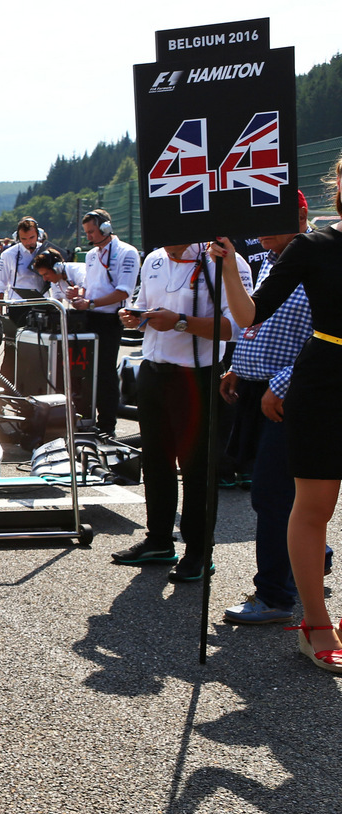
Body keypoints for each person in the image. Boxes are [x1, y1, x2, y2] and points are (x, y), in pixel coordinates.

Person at [209, 153, 342, 672]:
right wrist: (227, 266)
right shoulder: (314, 245)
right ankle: (315, 624)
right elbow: (249, 316)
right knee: (313, 506)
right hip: (326, 380)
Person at [111, 241, 251, 583]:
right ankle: (159, 539)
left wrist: (180, 323)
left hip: (197, 374)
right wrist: (135, 317)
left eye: (176, 240)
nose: (169, 247)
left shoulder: (224, 259)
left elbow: (235, 327)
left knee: (196, 467)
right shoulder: (155, 258)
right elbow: (145, 307)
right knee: (155, 460)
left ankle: (199, 552)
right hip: (154, 370)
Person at [218, 192, 321, 626]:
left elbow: (325, 335)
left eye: (270, 221)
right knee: (285, 492)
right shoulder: (266, 260)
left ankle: (275, 595)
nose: (259, 232)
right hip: (259, 387)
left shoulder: (317, 258)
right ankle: (308, 563)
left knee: (272, 495)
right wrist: (237, 367)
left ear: (301, 215)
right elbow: (256, 322)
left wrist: (280, 385)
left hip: (293, 392)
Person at [71, 210, 139, 436]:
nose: (89, 236)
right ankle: (83, 418)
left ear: (106, 228)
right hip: (89, 318)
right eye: (86, 232)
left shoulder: (127, 252)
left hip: (110, 319)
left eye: (92, 231)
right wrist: (79, 294)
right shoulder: (91, 255)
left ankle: (107, 424)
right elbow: (90, 286)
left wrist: (89, 303)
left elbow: (123, 292)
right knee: (84, 371)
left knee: (106, 373)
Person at [0, 218, 60, 381]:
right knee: (11, 351)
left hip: (42, 305)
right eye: (24, 239)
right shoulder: (8, 254)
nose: (28, 242)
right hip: (17, 307)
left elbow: (58, 280)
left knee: (40, 349)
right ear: (18, 237)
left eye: (31, 238)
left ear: (38, 235)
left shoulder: (47, 251)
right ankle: (5, 390)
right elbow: (0, 284)